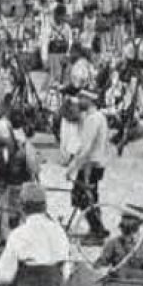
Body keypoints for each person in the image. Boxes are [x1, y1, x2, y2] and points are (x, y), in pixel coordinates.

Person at [63, 89, 110, 242]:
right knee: (90, 197)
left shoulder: (92, 120)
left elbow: (85, 149)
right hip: (95, 164)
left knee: (85, 199)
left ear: (89, 100)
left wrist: (71, 168)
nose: (79, 100)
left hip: (90, 165)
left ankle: (97, 232)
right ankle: (98, 228)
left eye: (82, 98)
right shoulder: (97, 117)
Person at [94, 203, 143, 279]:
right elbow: (100, 265)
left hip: (140, 285)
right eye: (124, 218)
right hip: (117, 284)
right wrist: (102, 270)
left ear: (139, 222)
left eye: (129, 218)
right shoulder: (113, 243)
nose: (124, 221)